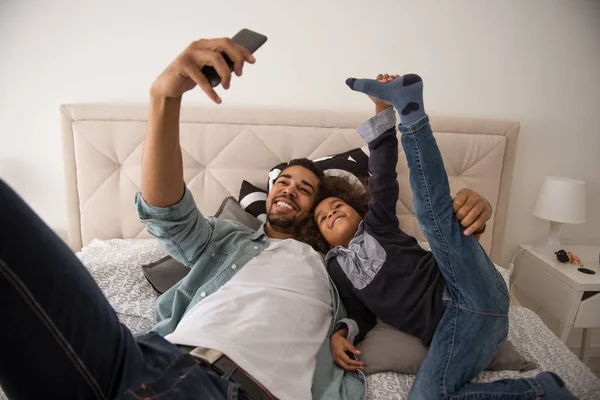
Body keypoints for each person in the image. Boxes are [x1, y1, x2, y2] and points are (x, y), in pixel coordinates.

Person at [0, 38, 492, 400]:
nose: (290, 191)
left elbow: (403, 266)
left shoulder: (342, 266)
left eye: (307, 190)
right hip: (153, 358)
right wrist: (164, 98)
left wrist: (465, 211)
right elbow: (168, 214)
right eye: (284, 182)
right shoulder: (227, 240)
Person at [308, 73, 576, 399]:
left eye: (337, 206)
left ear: (355, 208)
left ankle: (410, 112)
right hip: (459, 331)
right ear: (321, 236)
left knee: (432, 217)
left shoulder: (378, 224)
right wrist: (340, 333)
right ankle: (539, 389)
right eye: (323, 218)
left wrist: (381, 110)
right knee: (424, 397)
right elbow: (359, 313)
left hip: (464, 283)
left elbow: (382, 175)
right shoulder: (336, 268)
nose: (331, 213)